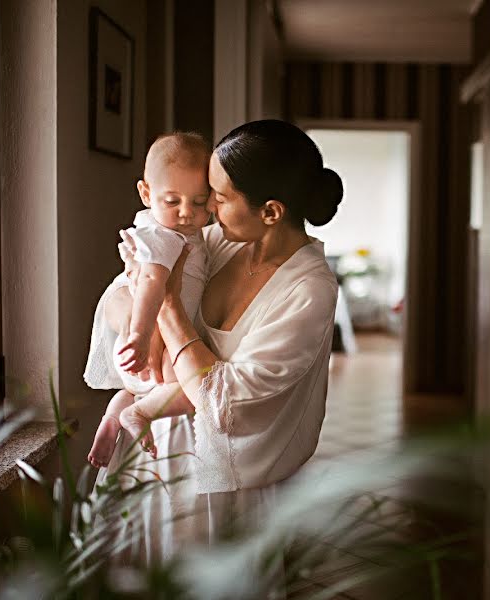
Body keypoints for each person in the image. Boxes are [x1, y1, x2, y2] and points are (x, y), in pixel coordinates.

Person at [90, 119, 343, 564]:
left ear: (270, 212)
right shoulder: (217, 242)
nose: (205, 212)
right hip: (150, 449)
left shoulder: (308, 289)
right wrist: (139, 329)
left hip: (221, 478)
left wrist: (165, 307)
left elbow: (224, 398)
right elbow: (121, 288)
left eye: (217, 200)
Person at [83, 132, 212, 468]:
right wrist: (140, 336)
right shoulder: (163, 235)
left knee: (153, 384)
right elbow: (152, 282)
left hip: (146, 334)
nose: (187, 212)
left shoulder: (178, 229)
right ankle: (137, 413)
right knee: (195, 383)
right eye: (173, 201)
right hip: (143, 334)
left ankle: (115, 413)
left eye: (200, 202)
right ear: (146, 193)